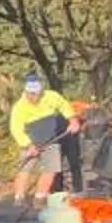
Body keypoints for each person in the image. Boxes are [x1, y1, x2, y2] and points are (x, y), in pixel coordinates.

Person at [8, 71, 78, 213]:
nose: (34, 97)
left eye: (37, 94)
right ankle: (19, 197)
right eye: (31, 94)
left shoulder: (51, 97)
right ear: (26, 92)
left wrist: (73, 120)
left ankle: (40, 198)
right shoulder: (19, 107)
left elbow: (64, 106)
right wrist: (28, 145)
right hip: (30, 143)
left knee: (51, 169)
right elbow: (15, 129)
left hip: (50, 140)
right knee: (25, 169)